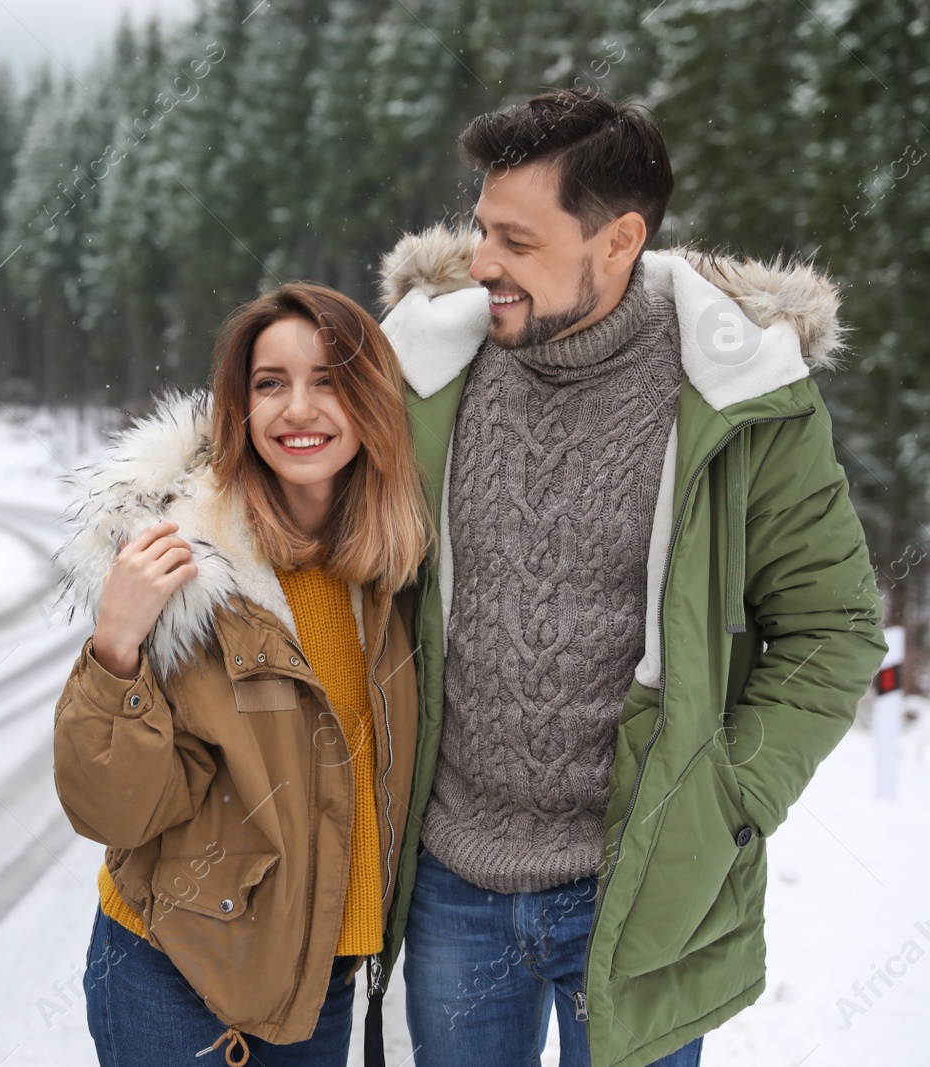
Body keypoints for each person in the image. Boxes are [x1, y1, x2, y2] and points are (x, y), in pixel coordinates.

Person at [364, 88, 888, 1067]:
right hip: (450, 883)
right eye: (481, 230)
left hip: (637, 884)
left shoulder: (739, 397)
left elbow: (833, 630)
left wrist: (726, 796)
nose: (480, 263)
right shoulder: (425, 373)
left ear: (618, 240)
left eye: (516, 241)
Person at [52, 282, 432, 1066]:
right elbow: (114, 809)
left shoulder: (394, 568)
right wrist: (117, 642)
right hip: (184, 981)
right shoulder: (188, 569)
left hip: (321, 980)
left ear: (370, 399)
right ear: (241, 405)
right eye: (271, 383)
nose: (299, 408)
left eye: (328, 379)